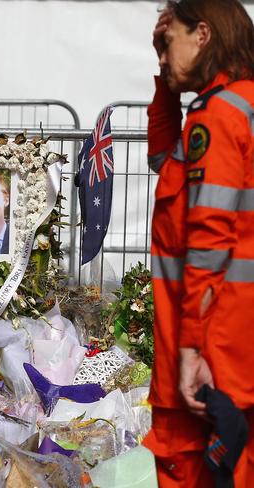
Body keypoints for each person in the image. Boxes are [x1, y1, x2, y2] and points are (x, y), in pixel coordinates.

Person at [144, 1, 254, 486]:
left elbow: (209, 244)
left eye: (170, 43)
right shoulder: (233, 107)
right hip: (228, 342)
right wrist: (164, 82)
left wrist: (191, 348)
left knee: (190, 467)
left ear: (202, 35)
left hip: (209, 351)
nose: (165, 59)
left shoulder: (218, 117)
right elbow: (163, 160)